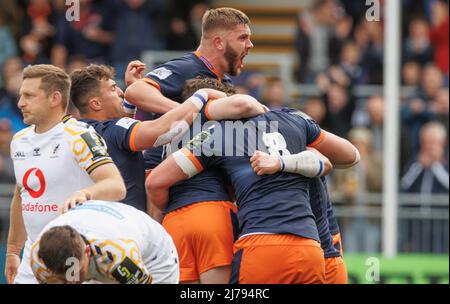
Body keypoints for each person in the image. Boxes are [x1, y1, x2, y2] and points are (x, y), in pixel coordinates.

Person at [147, 106, 359, 283]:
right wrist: (284, 162)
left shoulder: (221, 132)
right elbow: (349, 156)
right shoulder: (295, 121)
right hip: (312, 248)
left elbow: (156, 180)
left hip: (261, 244)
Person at [70, 63, 265, 213]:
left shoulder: (76, 131)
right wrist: (201, 96)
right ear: (95, 104)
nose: (120, 92)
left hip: (92, 220)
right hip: (122, 227)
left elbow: (122, 138)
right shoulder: (113, 130)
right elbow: (161, 131)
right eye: (113, 89)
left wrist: (131, 101)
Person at [5, 64, 127, 284]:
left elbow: (116, 185)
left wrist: (84, 193)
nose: (20, 103)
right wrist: (13, 250)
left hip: (76, 256)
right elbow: (22, 194)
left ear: (54, 98)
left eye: (29, 96)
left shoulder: (78, 135)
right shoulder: (19, 140)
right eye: (21, 95)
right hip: (33, 257)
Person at [144, 78, 266, 284]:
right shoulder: (225, 127)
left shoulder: (163, 135)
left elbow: (153, 190)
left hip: (173, 221)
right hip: (213, 213)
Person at [29, 200, 179, 284]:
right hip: (102, 253)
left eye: (76, 273)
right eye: (64, 279)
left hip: (153, 258)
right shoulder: (38, 260)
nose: (72, 282)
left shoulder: (120, 254)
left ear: (87, 251)